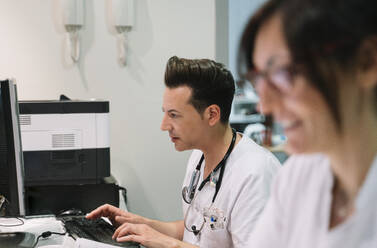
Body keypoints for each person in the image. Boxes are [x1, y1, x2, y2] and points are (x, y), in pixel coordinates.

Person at [87, 56, 281, 247]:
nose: (164, 125)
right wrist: (142, 224)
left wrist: (170, 244)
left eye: (174, 115)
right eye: (165, 113)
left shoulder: (255, 174)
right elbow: (197, 232)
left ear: (212, 114)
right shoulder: (199, 156)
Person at [237, 0, 377, 247]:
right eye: (259, 79)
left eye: (285, 73)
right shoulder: (299, 175)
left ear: (367, 62)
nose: (265, 106)